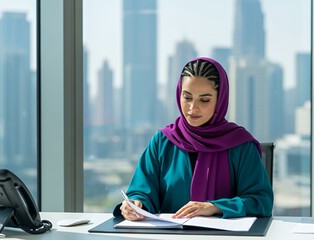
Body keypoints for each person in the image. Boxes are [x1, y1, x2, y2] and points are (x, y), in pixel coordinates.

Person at [113, 57, 273, 220]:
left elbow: (261, 201)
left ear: (220, 99)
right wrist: (136, 204)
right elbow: (142, 191)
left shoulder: (241, 145)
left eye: (204, 100)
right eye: (187, 97)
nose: (192, 107)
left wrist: (215, 207)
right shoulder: (162, 142)